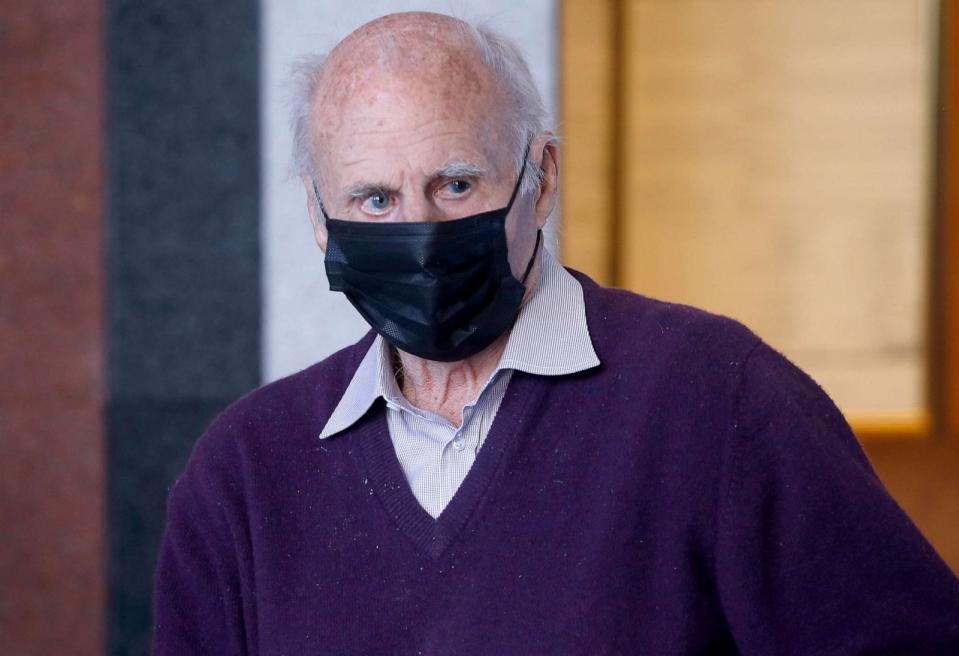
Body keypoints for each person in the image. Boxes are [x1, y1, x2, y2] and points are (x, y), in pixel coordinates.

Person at [153, 11, 959, 654]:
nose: (419, 230)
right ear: (319, 220)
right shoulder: (245, 472)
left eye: (456, 183)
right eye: (374, 201)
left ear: (541, 179)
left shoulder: (718, 400)